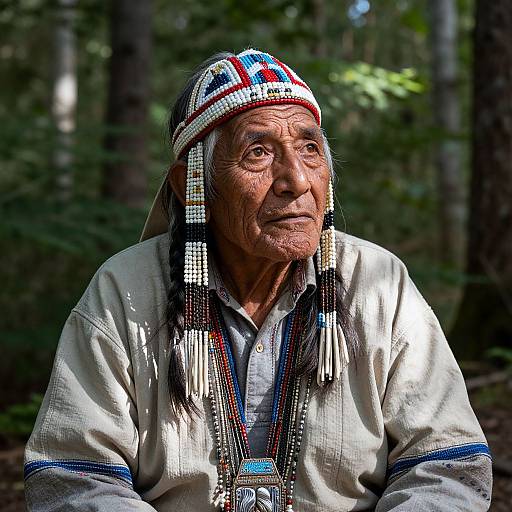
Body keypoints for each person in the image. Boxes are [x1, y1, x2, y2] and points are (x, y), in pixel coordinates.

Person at [24, 49, 492, 511]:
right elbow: (74, 476)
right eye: (258, 152)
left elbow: (447, 466)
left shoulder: (379, 285)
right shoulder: (123, 292)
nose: (296, 179)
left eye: (310, 149)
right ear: (193, 187)